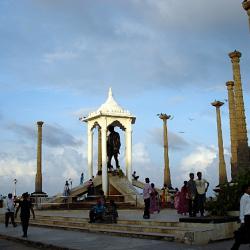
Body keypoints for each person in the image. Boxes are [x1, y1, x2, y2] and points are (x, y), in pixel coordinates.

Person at [231, 184, 250, 250]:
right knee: (242, 235)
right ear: (245, 190)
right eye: (249, 188)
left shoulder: (249, 197)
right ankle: (234, 248)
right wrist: (242, 220)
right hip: (247, 218)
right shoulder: (243, 197)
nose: (249, 189)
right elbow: (242, 209)